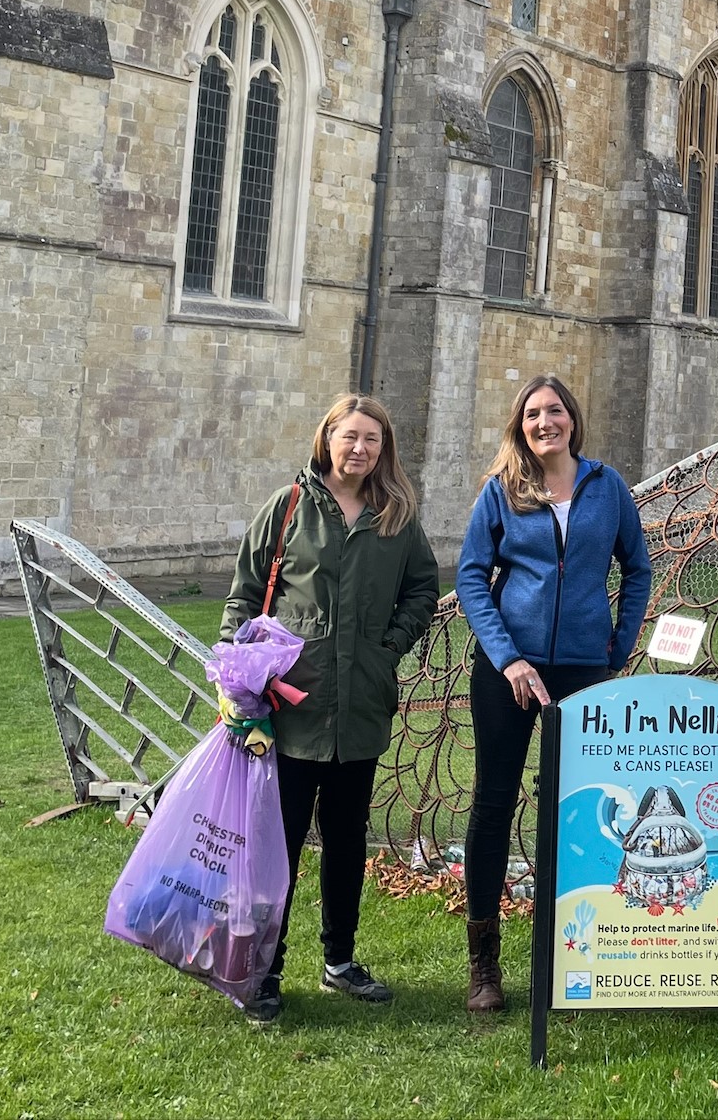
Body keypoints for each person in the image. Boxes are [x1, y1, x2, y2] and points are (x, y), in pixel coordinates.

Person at [221, 394, 441, 1025]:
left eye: (372, 439)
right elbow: (244, 594)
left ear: (383, 449)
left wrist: (388, 648)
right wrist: (237, 680)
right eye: (350, 437)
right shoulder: (288, 509)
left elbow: (423, 586)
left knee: (347, 842)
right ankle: (263, 969)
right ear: (328, 439)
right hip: (289, 714)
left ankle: (339, 960)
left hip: (360, 710)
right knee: (277, 848)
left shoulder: (395, 517)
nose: (360, 449)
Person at [455, 373, 653, 1014]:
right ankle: (484, 962)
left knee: (576, 809)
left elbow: (638, 568)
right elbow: (470, 579)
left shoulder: (608, 487)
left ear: (573, 419)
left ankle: (575, 952)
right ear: (521, 423)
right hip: (510, 674)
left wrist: (617, 648)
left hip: (581, 672)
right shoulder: (502, 491)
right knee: (493, 803)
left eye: (557, 411)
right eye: (535, 413)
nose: (547, 422)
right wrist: (508, 659)